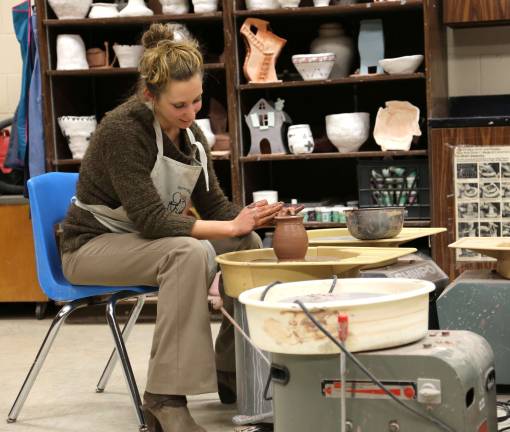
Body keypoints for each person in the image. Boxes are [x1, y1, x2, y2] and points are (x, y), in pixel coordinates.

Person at [61, 23, 283, 432]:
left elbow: (212, 203)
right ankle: (164, 399)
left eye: (197, 100)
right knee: (189, 251)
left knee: (244, 243)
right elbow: (151, 219)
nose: (191, 112)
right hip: (91, 246)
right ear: (150, 96)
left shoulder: (190, 133)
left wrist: (249, 218)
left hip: (142, 242)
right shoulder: (122, 131)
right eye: (180, 105)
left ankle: (231, 371)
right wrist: (227, 223)